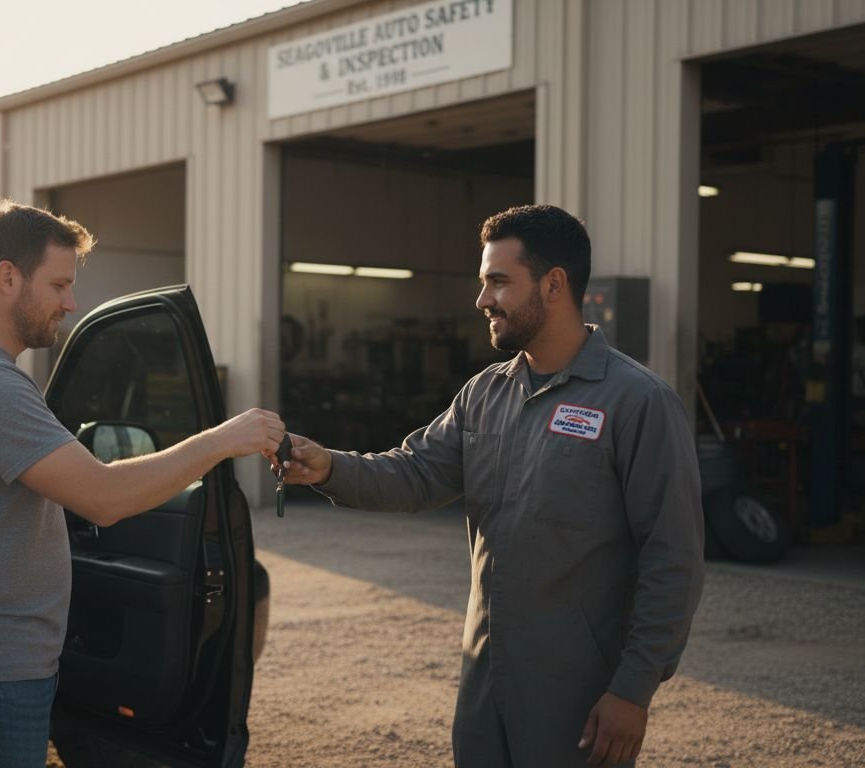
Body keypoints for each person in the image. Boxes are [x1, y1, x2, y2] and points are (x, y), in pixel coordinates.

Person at [276, 204, 704, 767]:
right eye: (484, 283)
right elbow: (416, 471)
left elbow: (672, 558)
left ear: (554, 285)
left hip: (575, 692)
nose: (482, 301)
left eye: (498, 283)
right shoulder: (485, 394)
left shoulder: (637, 402)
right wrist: (329, 466)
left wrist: (633, 688)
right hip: (485, 681)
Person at [0, 201, 284, 767]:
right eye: (58, 284)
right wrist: (222, 439)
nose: (70, 302)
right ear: (8, 277)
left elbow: (90, 480)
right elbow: (103, 498)